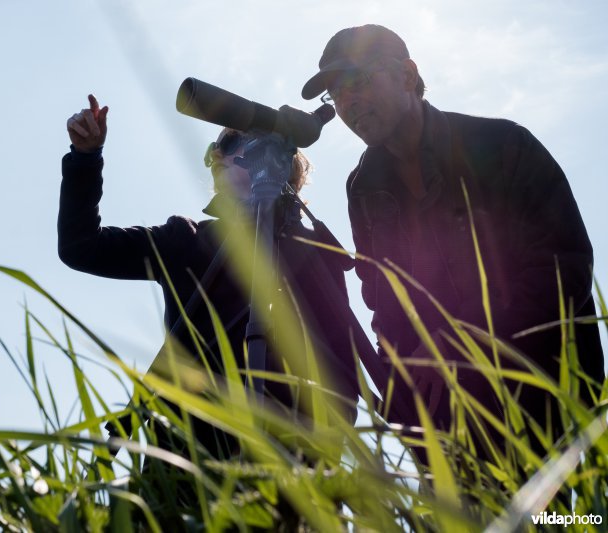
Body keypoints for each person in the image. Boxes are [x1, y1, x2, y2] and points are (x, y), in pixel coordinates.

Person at [301, 24, 604, 455]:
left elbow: (562, 267)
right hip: (451, 429)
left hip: (545, 402)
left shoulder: (503, 146)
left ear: (407, 76)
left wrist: (460, 340)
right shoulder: (362, 189)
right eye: (336, 94)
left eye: (358, 82)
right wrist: (404, 383)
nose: (348, 103)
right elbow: (383, 301)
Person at [59, 95, 369, 462]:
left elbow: (342, 376)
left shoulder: (315, 254)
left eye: (229, 144)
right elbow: (81, 248)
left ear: (282, 161)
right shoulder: (187, 241)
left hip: (288, 464)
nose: (216, 157)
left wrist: (321, 458)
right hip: (185, 463)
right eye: (211, 153)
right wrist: (85, 158)